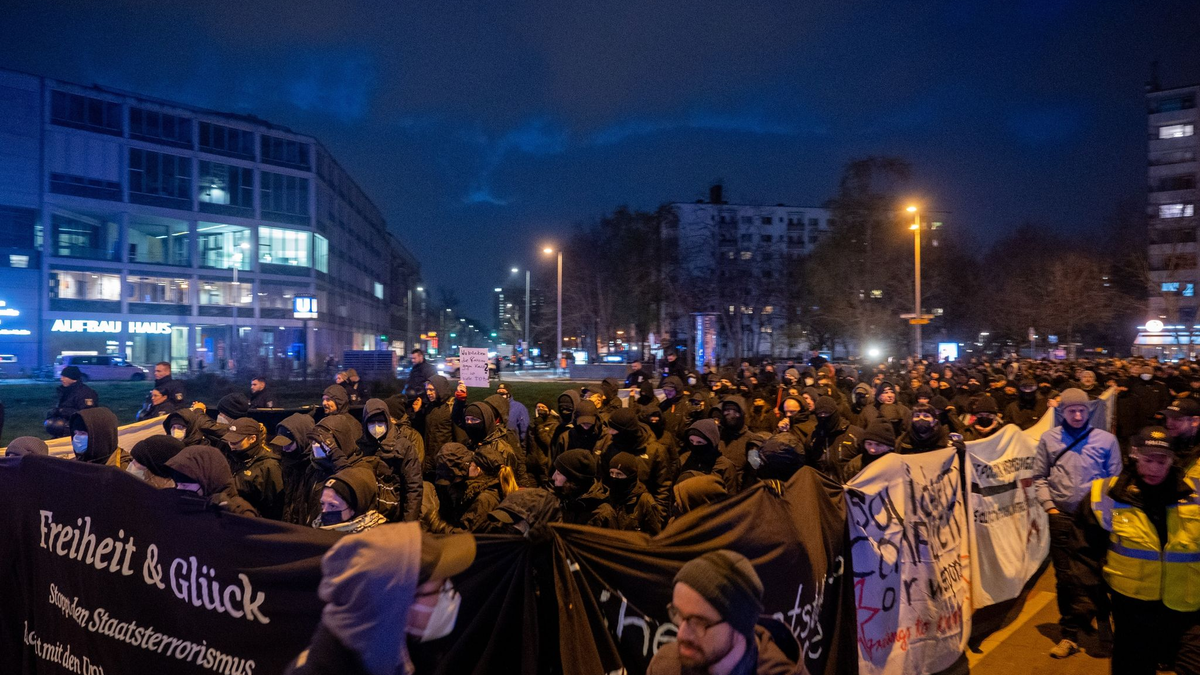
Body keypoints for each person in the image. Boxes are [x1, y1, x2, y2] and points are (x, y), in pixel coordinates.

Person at [284, 523, 476, 675]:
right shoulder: (321, 668)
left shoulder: (399, 654)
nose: (451, 594)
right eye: (441, 587)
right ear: (396, 603)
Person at [1083, 426, 1200, 675]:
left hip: (1187, 609)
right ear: (1134, 457)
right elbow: (1085, 553)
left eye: (1162, 460)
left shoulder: (1195, 496)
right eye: (1148, 460)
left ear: (1172, 461)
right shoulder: (1106, 495)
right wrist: (1097, 605)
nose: (1154, 468)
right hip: (1132, 609)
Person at [1031, 388, 1122, 659]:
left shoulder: (1106, 441)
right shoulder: (1049, 439)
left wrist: (1108, 515)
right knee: (1065, 578)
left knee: (1099, 573)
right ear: (1062, 412)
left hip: (1096, 520)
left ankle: (1103, 619)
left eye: (1082, 410)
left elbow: (1115, 481)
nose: (1078, 415)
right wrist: (1050, 507)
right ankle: (1069, 634)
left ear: (1089, 411)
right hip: (1062, 517)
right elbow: (1039, 476)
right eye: (1072, 410)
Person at [649, 549, 802, 675]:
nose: (682, 635)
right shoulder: (665, 665)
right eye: (679, 615)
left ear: (739, 624)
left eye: (700, 622)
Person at [357, 398, 423, 522]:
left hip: (394, 515)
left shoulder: (403, 446)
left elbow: (413, 487)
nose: (376, 427)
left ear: (388, 421)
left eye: (380, 422)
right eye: (372, 422)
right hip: (367, 517)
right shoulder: (361, 446)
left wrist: (408, 522)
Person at [166, 445, 258, 516]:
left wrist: (230, 512)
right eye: (177, 484)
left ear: (207, 480)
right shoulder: (190, 505)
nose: (179, 489)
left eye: (185, 485)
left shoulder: (240, 511)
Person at [223, 417, 284, 520]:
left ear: (252, 439)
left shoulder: (269, 466)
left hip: (252, 523)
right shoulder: (232, 457)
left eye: (235, 442)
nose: (231, 446)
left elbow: (274, 507)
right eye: (229, 441)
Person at [551, 449, 618, 527]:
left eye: (559, 473)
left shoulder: (603, 515)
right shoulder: (564, 501)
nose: (553, 477)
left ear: (573, 480)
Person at [273, 412, 317, 526]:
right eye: (282, 444)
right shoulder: (285, 463)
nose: (284, 448)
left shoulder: (315, 468)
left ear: (302, 439)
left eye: (288, 444)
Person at [314, 465, 388, 533]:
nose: (324, 511)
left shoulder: (377, 538)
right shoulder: (318, 527)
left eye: (333, 506)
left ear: (355, 508)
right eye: (322, 504)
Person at [604, 451, 663, 534]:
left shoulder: (644, 501)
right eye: (611, 473)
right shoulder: (608, 496)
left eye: (619, 474)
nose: (614, 477)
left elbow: (655, 534)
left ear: (630, 476)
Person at [415, 375, 454, 479]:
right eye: (427, 389)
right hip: (429, 461)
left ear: (439, 389)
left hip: (445, 461)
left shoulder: (450, 407)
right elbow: (422, 429)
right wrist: (418, 412)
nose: (428, 393)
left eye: (432, 390)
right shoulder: (429, 407)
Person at [44, 365, 99, 438]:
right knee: (51, 423)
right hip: (68, 423)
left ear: (73, 378)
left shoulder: (85, 393)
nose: (61, 379)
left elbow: (86, 413)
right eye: (61, 376)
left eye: (64, 377)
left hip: (80, 428)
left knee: (58, 424)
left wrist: (62, 411)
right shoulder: (66, 391)